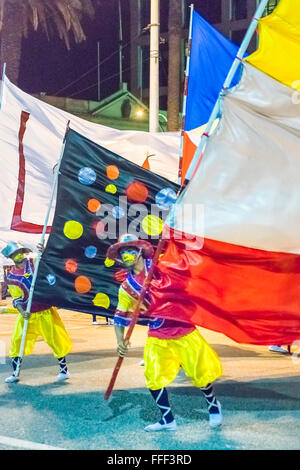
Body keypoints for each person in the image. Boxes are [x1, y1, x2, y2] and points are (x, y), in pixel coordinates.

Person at [107, 234, 223, 431]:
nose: (126, 255)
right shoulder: (126, 287)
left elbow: (184, 268)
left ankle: (213, 406)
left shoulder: (161, 268)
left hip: (182, 327)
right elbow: (119, 316)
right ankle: (168, 420)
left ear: (139, 252)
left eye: (130, 250)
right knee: (153, 377)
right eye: (123, 252)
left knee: (200, 373)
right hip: (158, 333)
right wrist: (120, 342)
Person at [1, 242, 72, 383]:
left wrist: (45, 252)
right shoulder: (11, 276)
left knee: (55, 340)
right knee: (17, 341)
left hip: (45, 311)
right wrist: (22, 312)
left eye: (20, 251)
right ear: (10, 257)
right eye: (15, 253)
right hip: (27, 315)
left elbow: (51, 264)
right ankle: (15, 373)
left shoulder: (35, 262)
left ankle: (64, 371)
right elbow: (16, 299)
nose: (18, 255)